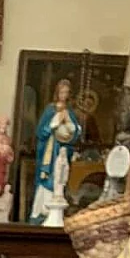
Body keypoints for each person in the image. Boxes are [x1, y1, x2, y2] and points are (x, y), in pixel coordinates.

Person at [30, 78, 83, 222]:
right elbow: (41, 131)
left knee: (60, 179)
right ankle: (42, 213)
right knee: (49, 179)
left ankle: (56, 212)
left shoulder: (70, 111)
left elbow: (76, 132)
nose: (64, 95)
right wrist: (54, 124)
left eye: (66, 92)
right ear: (57, 93)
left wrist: (72, 128)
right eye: (61, 92)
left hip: (63, 150)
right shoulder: (50, 109)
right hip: (50, 150)